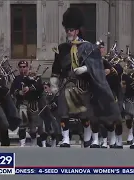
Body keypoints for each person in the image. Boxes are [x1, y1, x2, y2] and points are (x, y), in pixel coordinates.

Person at [49, 7, 121, 148]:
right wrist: (53, 83)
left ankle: (89, 137)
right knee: (63, 112)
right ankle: (65, 139)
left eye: (71, 30)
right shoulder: (62, 48)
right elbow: (56, 67)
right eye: (67, 30)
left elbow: (97, 67)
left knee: (85, 114)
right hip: (66, 84)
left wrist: (85, 68)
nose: (69, 32)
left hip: (83, 85)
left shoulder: (89, 47)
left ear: (77, 30)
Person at [11, 61, 47, 147]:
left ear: (28, 67)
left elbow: (40, 88)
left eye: (24, 67)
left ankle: (34, 143)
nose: (23, 69)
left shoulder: (35, 77)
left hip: (33, 104)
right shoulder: (17, 79)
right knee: (22, 125)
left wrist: (29, 88)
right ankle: (22, 144)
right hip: (22, 104)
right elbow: (12, 90)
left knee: (34, 126)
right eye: (21, 67)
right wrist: (18, 92)